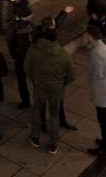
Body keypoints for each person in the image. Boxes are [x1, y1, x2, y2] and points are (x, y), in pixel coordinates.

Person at [25, 24, 76, 155]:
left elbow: (26, 68)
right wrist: (61, 83)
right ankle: (53, 145)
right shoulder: (63, 54)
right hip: (56, 90)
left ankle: (35, 137)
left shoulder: (33, 50)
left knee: (36, 111)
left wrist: (34, 80)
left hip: (39, 88)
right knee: (54, 115)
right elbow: (71, 76)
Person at [86, 25, 106, 157]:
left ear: (91, 37)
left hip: (101, 90)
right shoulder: (105, 47)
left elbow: (98, 74)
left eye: (87, 36)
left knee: (103, 119)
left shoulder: (95, 52)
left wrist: (90, 79)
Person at [6, 0, 34, 109]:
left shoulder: (13, 25)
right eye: (30, 15)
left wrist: (13, 53)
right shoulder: (30, 25)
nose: (32, 16)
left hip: (20, 56)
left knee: (21, 80)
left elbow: (9, 41)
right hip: (30, 55)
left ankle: (25, 100)